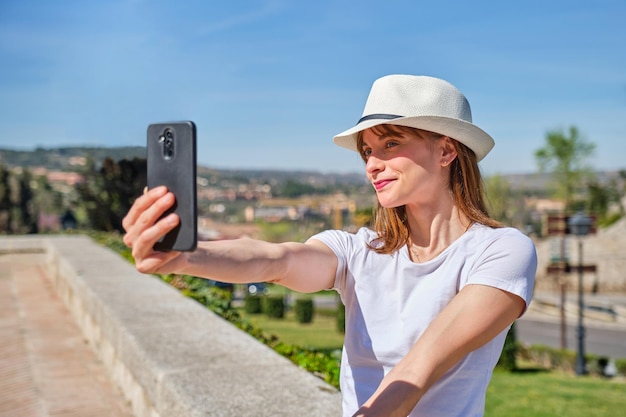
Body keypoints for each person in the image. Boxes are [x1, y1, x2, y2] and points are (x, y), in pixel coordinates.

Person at [122, 74, 537, 417]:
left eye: (391, 144)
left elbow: (422, 365)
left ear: (446, 150)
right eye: (368, 151)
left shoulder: (501, 251)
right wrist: (186, 256)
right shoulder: (360, 251)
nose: (373, 163)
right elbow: (276, 260)